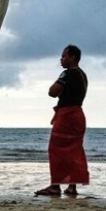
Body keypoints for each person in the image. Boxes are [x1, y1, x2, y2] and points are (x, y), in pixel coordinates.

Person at [36, 45, 89, 197]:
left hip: (66, 115)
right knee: (74, 151)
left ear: (72, 57)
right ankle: (72, 186)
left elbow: (52, 92)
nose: (61, 59)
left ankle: (55, 186)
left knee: (56, 150)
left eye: (64, 56)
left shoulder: (67, 74)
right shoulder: (83, 75)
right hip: (78, 114)